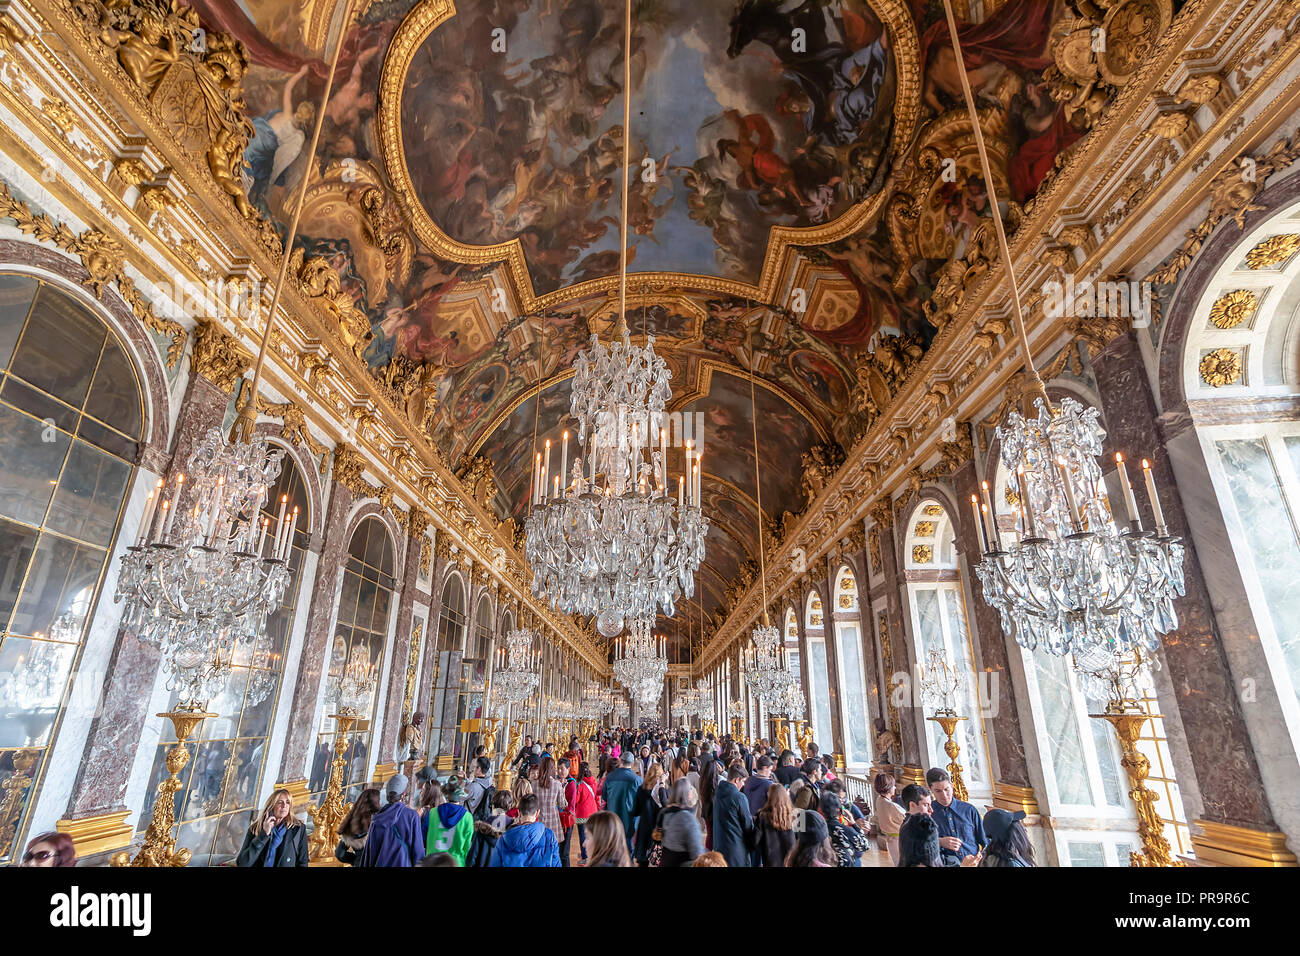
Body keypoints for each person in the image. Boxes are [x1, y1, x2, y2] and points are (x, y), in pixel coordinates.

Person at [357, 774, 425, 866]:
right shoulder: (411, 816)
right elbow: (418, 851)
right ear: (403, 794)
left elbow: (369, 852)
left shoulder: (377, 818)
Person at [927, 768, 987, 866]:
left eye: (947, 789)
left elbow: (985, 842)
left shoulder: (969, 810)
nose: (944, 795)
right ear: (930, 790)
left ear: (952, 786)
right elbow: (919, 845)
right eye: (938, 791)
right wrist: (939, 842)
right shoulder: (928, 814)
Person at [236, 788, 308, 867]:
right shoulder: (256, 828)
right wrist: (263, 835)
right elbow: (242, 863)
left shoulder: (298, 829)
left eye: (287, 802)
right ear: (272, 806)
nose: (284, 806)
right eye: (280, 802)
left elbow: (303, 862)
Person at [489, 793, 561, 867]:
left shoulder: (503, 839)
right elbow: (556, 864)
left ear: (519, 813)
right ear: (537, 813)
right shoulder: (549, 836)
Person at [423, 777, 474, 866]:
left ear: (446, 794)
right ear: (461, 795)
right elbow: (467, 848)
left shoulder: (433, 813)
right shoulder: (467, 817)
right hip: (456, 863)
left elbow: (423, 838)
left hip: (432, 862)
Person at [712, 763, 755, 868]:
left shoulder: (718, 793)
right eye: (743, 781)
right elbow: (747, 825)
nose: (744, 785)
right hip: (736, 847)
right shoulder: (739, 797)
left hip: (720, 845)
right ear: (737, 780)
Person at [657, 778, 705, 866]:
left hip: (665, 861)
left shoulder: (665, 813)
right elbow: (697, 853)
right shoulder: (688, 819)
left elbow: (657, 838)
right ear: (688, 794)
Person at [602, 751, 640, 848]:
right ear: (632, 763)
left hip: (613, 817)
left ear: (620, 761)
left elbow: (604, 797)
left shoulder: (610, 777)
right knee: (628, 850)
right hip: (629, 819)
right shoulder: (637, 780)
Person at [563, 760, 599, 864]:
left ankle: (585, 857)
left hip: (582, 814)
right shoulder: (593, 782)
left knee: (583, 836)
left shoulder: (580, 784)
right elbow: (597, 797)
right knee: (592, 836)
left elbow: (577, 799)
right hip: (593, 812)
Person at [821, 791, 869, 867]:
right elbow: (864, 846)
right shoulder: (845, 830)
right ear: (839, 810)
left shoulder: (820, 827)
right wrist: (854, 825)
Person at [632, 761, 667, 866]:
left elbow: (635, 811)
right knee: (659, 859)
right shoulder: (664, 790)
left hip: (645, 827)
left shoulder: (642, 789)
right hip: (659, 828)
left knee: (643, 860)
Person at [335, 787, 381, 865]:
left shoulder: (351, 822)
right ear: (376, 803)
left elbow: (339, 853)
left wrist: (355, 860)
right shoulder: (381, 821)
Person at [754, 782, 795, 867]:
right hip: (790, 861)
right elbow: (800, 840)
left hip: (770, 861)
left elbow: (754, 841)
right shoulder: (796, 815)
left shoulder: (762, 816)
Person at [467, 791, 513, 867]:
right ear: (509, 807)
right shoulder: (513, 828)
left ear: (492, 806)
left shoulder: (481, 828)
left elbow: (472, 859)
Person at [872, 772, 906, 866]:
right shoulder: (891, 806)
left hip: (890, 839)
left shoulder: (879, 800)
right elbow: (906, 819)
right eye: (893, 786)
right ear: (888, 787)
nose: (895, 788)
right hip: (899, 840)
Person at [534, 756, 568, 846]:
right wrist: (563, 793)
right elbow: (562, 805)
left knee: (539, 849)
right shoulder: (557, 784)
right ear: (553, 769)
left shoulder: (534, 784)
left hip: (538, 820)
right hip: (553, 821)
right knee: (551, 850)